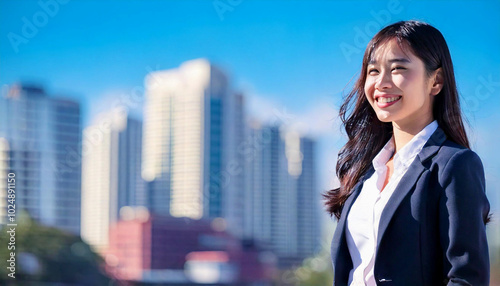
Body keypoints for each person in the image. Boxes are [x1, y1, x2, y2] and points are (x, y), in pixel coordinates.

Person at [324, 20, 491, 286]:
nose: (381, 83)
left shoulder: (454, 165)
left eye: (398, 68)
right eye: (373, 71)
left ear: (435, 81)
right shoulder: (365, 173)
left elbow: (467, 277)